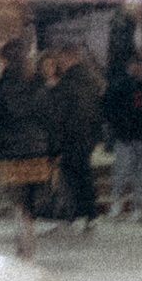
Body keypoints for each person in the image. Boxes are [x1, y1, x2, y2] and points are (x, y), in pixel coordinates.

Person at [0, 39, 57, 232]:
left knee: (17, 197)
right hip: (37, 151)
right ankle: (29, 226)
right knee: (33, 197)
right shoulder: (40, 87)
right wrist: (54, 150)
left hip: (10, 153)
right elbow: (51, 120)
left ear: (5, 61)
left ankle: (23, 229)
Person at [102, 51, 142, 221]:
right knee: (121, 171)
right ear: (129, 67)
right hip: (125, 136)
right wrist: (117, 128)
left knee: (140, 172)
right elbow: (109, 110)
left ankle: (138, 207)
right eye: (134, 66)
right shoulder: (119, 86)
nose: (138, 69)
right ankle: (117, 205)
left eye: (140, 66)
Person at [50, 44, 105, 231]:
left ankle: (81, 213)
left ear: (69, 57)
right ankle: (86, 213)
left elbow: (64, 111)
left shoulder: (70, 81)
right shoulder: (87, 78)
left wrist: (60, 136)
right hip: (86, 135)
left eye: (60, 59)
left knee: (76, 175)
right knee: (81, 173)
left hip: (73, 136)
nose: (59, 63)